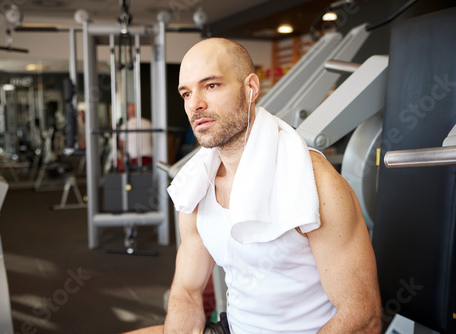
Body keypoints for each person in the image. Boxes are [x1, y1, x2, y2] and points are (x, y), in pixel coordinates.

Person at [126, 38, 381, 334]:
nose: (195, 104)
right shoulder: (196, 186)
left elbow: (363, 317)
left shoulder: (315, 182)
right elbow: (187, 291)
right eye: (186, 93)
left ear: (251, 89)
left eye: (211, 86)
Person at [118, 103, 153, 167]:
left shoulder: (125, 126)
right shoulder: (148, 123)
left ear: (128, 113)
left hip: (133, 160)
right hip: (150, 159)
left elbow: (121, 144)